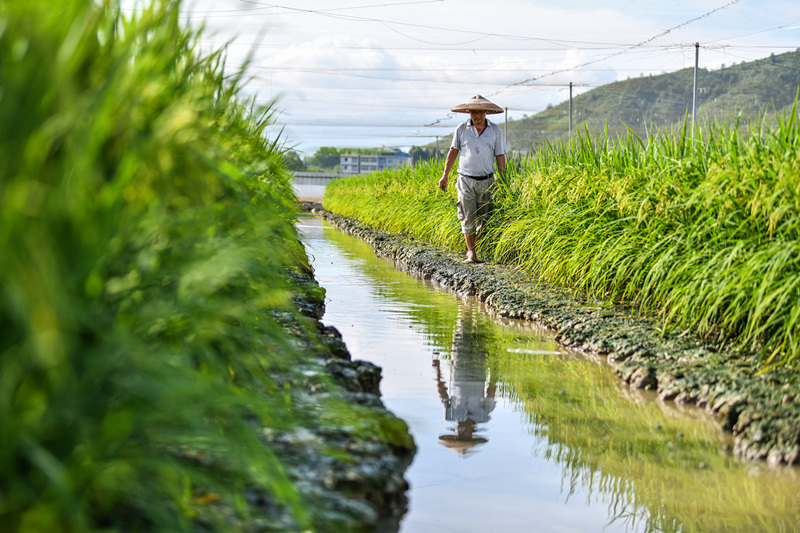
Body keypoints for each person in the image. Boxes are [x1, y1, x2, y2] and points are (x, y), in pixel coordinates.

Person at [438, 94, 506, 263]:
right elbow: (453, 152)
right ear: (469, 112)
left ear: (486, 113)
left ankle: (480, 248)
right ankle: (471, 252)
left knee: (485, 217)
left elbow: (500, 155)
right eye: (474, 112)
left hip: (487, 180)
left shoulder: (495, 130)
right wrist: (445, 175)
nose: (477, 116)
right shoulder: (461, 129)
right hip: (465, 180)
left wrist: (504, 180)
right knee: (467, 215)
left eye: (481, 112)